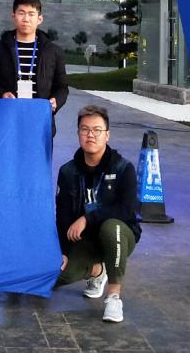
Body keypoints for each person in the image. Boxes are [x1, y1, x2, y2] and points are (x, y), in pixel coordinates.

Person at [55, 105, 140, 323]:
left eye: (97, 130)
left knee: (112, 227)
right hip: (84, 241)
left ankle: (113, 297)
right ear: (78, 133)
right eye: (85, 129)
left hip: (118, 236)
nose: (90, 135)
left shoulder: (124, 168)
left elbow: (126, 210)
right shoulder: (67, 172)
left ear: (107, 135)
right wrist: (62, 251)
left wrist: (87, 218)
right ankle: (97, 271)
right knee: (54, 276)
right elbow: (62, 216)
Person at [0, 0, 68, 133]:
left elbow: (62, 87)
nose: (26, 19)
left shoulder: (53, 52)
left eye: (31, 14)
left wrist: (56, 100)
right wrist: (2, 94)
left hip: (40, 122)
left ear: (40, 19)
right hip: (5, 122)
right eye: (21, 13)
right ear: (13, 16)